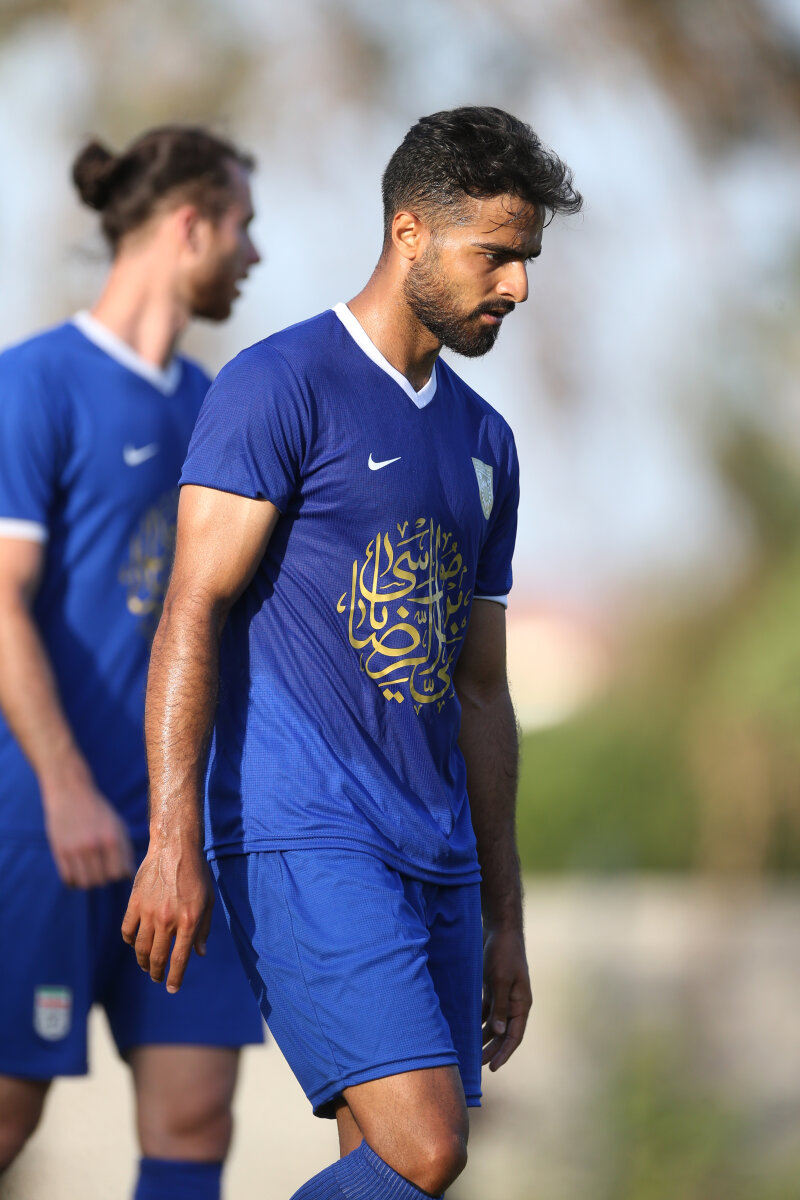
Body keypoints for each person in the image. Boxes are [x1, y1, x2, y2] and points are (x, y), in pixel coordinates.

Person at [123, 106, 582, 1199]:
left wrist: (505, 916)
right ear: (408, 232)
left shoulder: (487, 442)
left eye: (526, 257)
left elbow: (482, 692)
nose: (517, 285)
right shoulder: (277, 385)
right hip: (304, 832)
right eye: (495, 254)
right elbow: (190, 610)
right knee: (426, 1148)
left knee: (386, 1171)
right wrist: (171, 837)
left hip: (439, 853)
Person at [0, 125, 265, 1200]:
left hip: (177, 838)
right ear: (188, 225)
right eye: (242, 227)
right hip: (47, 826)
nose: (254, 254)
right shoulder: (34, 385)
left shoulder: (217, 407)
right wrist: (65, 790)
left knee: (196, 1116)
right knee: (9, 1112)